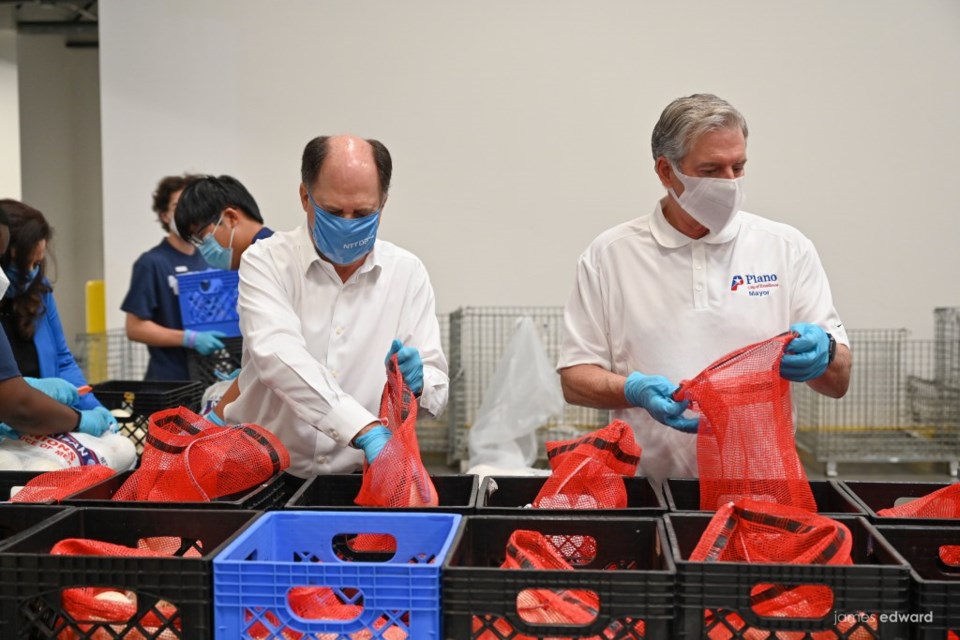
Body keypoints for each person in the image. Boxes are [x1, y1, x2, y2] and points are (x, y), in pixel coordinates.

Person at [558, 93, 852, 486]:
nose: (730, 184)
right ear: (666, 171)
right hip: (650, 487)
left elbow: (838, 382)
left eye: (739, 167)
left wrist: (826, 354)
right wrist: (633, 389)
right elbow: (575, 379)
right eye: (711, 170)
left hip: (762, 487)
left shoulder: (785, 247)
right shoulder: (610, 256)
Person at [222, 135, 448, 478]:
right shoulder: (266, 262)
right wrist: (365, 429)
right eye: (332, 211)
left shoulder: (406, 272)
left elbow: (437, 389)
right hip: (265, 476)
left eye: (362, 213)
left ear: (383, 204)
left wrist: (419, 384)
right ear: (304, 197)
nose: (346, 223)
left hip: (360, 483)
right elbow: (279, 357)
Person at [0, 207, 116, 440]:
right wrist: (78, 420)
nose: (31, 272)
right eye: (25, 264)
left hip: (46, 420)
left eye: (37, 263)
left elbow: (63, 359)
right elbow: (18, 404)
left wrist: (92, 407)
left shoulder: (40, 291)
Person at [122, 174, 225, 381]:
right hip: (169, 380)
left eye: (191, 205)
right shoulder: (152, 263)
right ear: (164, 215)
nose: (186, 213)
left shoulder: (211, 259)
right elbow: (134, 328)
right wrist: (188, 338)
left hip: (207, 375)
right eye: (178, 206)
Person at [174, 174, 274, 271]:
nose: (203, 250)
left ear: (231, 218)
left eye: (201, 236)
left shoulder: (270, 260)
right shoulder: (253, 262)